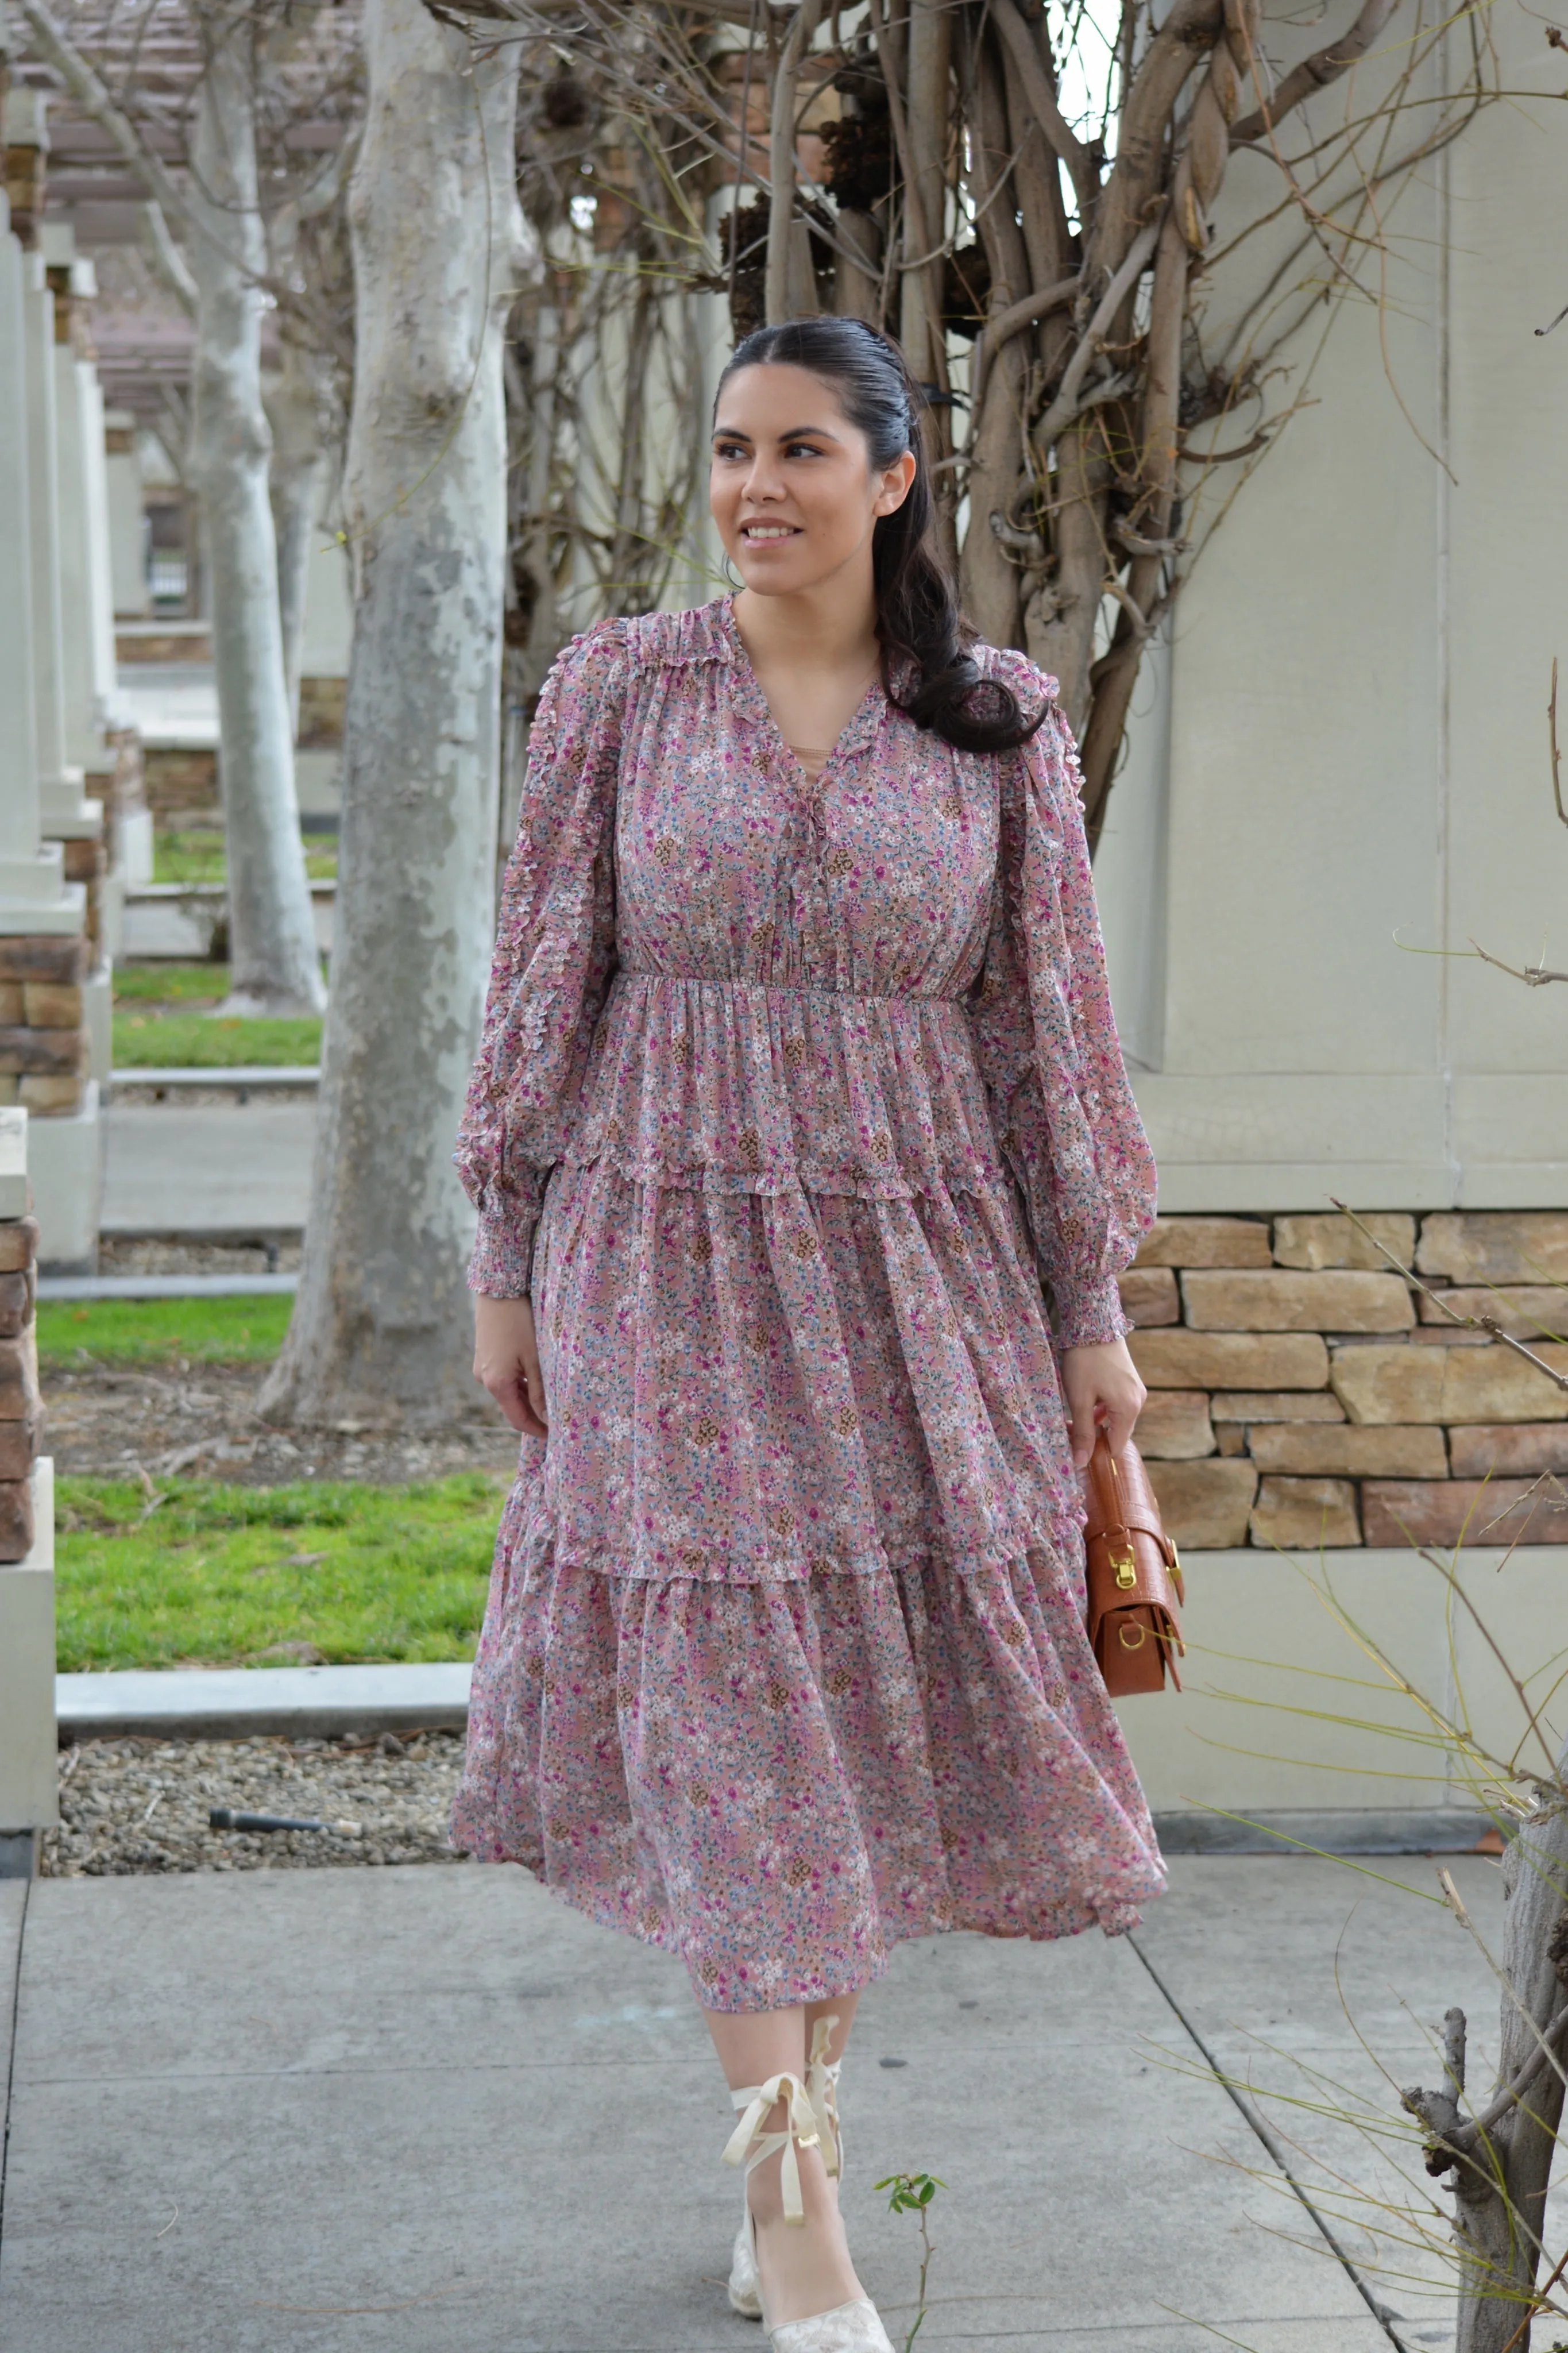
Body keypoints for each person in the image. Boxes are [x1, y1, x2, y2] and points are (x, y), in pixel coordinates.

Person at [454, 315, 1164, 2353]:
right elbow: (539, 983)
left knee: (837, 1730)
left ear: (893, 476)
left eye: (798, 452)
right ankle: (797, 2226)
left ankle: (795, 2176)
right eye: (729, 450)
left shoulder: (999, 720)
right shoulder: (618, 686)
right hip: (659, 1258)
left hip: (914, 1275)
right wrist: (508, 1252)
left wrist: (1086, 1315)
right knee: (740, 1727)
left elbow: (1050, 1046)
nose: (752, 486)